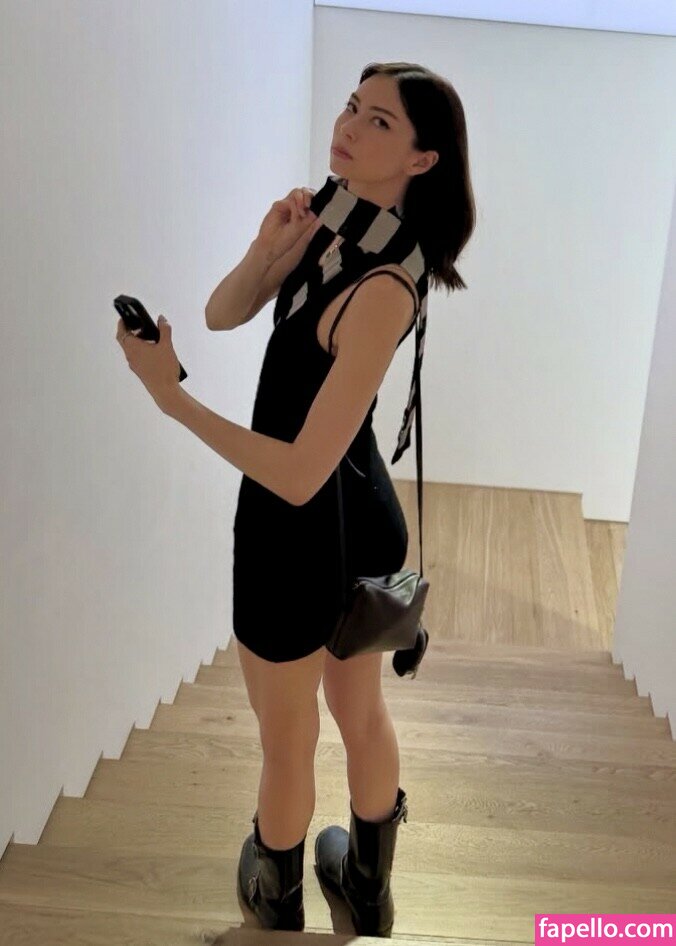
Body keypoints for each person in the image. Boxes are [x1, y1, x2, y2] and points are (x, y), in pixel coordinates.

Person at [117, 60, 475, 939]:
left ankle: (276, 902)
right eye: (353, 106)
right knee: (358, 712)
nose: (348, 126)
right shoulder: (334, 220)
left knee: (292, 738)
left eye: (380, 121)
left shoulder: (384, 289)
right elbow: (221, 313)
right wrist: (267, 246)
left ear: (422, 160)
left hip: (298, 533)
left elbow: (297, 474)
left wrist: (170, 399)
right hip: (366, 520)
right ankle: (366, 884)